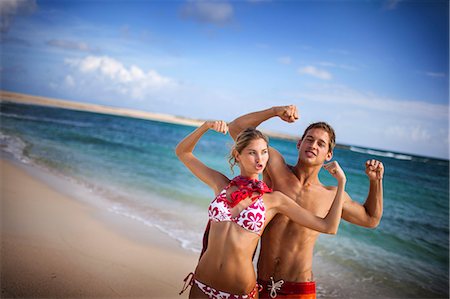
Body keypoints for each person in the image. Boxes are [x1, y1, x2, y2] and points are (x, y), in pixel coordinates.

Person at [176, 120, 347, 299]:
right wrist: (205, 126)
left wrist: (341, 183)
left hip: (239, 293)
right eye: (252, 153)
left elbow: (329, 227)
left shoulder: (275, 200)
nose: (260, 159)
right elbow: (183, 152)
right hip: (202, 284)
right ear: (237, 155)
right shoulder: (221, 184)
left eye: (264, 152)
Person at [228, 105, 384, 299]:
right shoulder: (276, 168)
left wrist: (375, 181)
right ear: (299, 144)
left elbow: (371, 219)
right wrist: (275, 112)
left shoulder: (332, 195)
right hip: (259, 284)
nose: (313, 145)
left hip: (299, 290)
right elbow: (236, 128)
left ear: (329, 155)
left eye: (321, 144)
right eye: (309, 140)